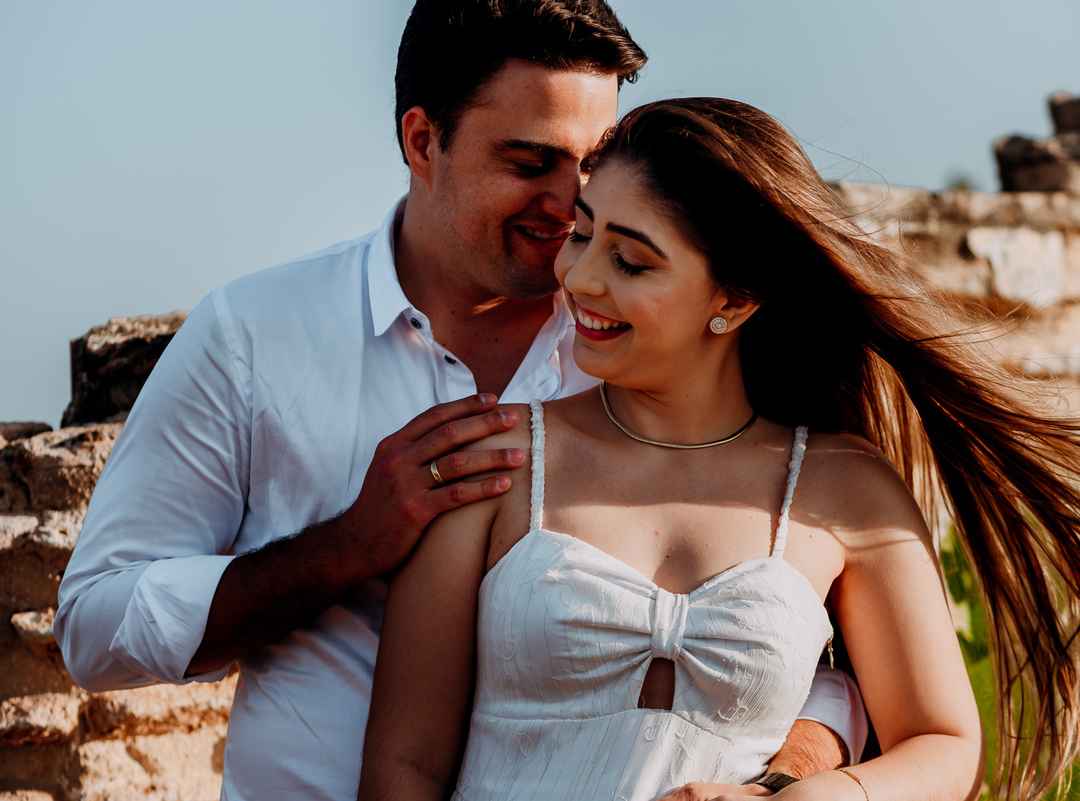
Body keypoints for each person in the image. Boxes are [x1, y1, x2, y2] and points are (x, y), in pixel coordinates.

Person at [54, 3, 861, 800]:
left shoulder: (654, 340)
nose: (572, 201)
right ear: (421, 141)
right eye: (531, 162)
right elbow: (92, 625)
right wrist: (345, 547)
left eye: (592, 161)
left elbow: (796, 638)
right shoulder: (254, 334)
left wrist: (789, 775)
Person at [358, 97, 1080, 801]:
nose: (580, 278)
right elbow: (404, 766)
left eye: (632, 261)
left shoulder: (845, 487)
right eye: (583, 234)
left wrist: (811, 797)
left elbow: (944, 741)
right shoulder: (494, 460)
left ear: (735, 298)